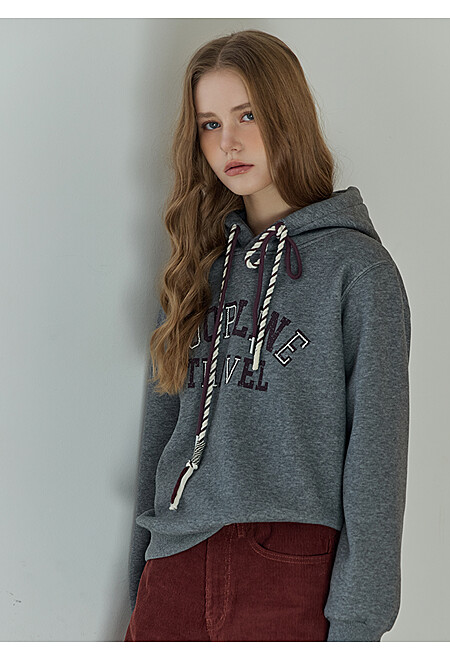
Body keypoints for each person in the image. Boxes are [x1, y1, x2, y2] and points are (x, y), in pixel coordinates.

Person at [124, 28, 411, 642]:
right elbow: (160, 436)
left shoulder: (358, 272)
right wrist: (140, 580)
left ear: (289, 115)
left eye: (247, 115)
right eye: (209, 124)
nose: (228, 141)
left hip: (292, 568)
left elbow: (377, 460)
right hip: (175, 566)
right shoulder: (195, 271)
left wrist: (358, 625)